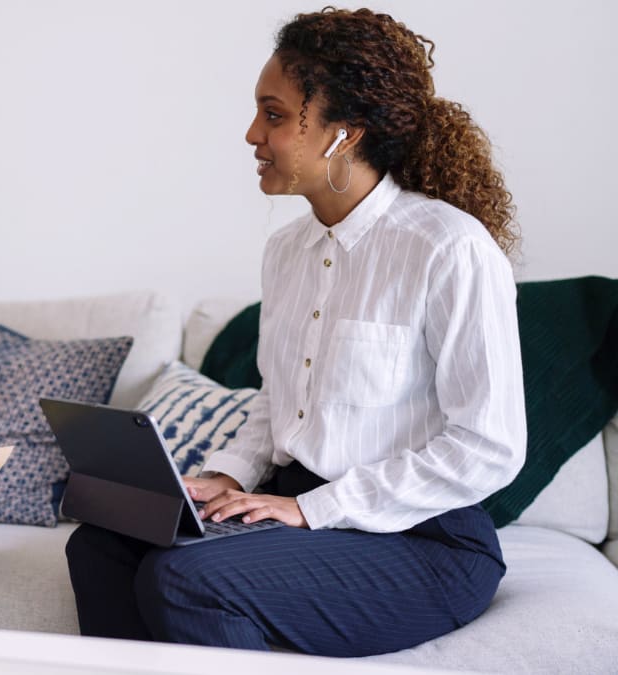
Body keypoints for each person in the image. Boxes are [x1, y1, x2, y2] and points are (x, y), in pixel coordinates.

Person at [65, 7, 526, 656]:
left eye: (275, 114)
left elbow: (488, 446)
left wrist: (317, 508)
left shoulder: (449, 249)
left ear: (344, 133)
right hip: (297, 509)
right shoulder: (287, 250)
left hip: (421, 540)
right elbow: (277, 401)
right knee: (99, 545)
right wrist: (228, 475)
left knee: (186, 580)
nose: (253, 133)